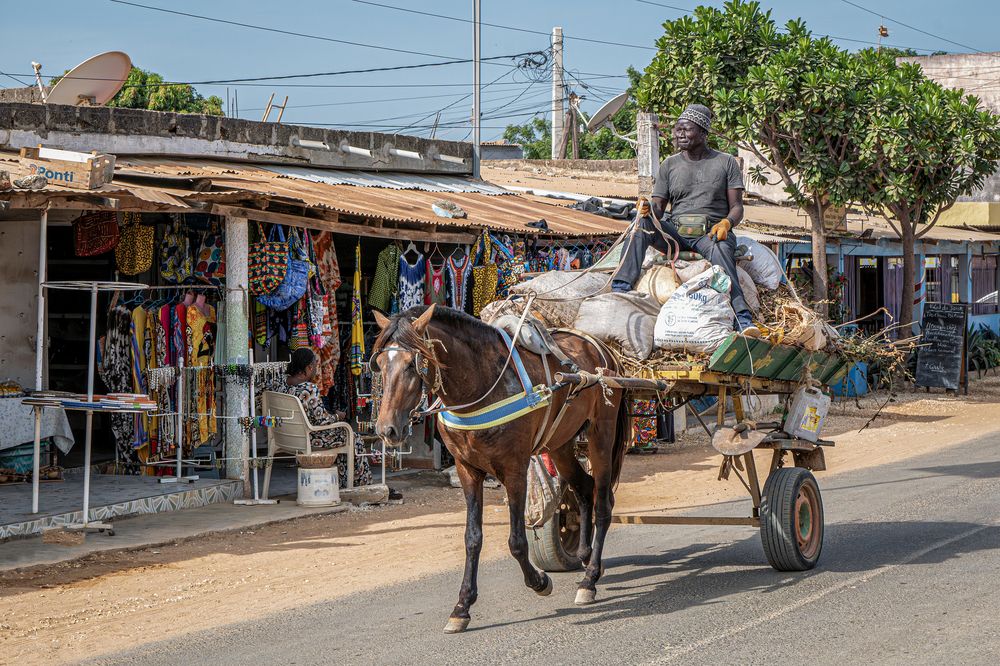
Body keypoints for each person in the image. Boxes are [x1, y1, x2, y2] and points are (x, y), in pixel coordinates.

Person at [612, 103, 759, 335]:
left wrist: (727, 223)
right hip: (677, 234)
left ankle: (741, 318)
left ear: (703, 133)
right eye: (677, 129)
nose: (680, 134)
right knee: (640, 225)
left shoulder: (726, 162)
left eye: (687, 129)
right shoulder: (669, 164)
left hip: (711, 233)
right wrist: (647, 208)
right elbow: (659, 208)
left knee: (722, 250)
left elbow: (737, 207)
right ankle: (620, 288)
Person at [277, 348, 372, 489]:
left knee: (343, 436)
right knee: (353, 437)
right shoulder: (309, 389)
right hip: (311, 438)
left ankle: (343, 484)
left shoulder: (280, 386)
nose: (316, 369)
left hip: (287, 438)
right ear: (309, 367)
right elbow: (322, 421)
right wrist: (337, 416)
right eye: (315, 366)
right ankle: (360, 484)